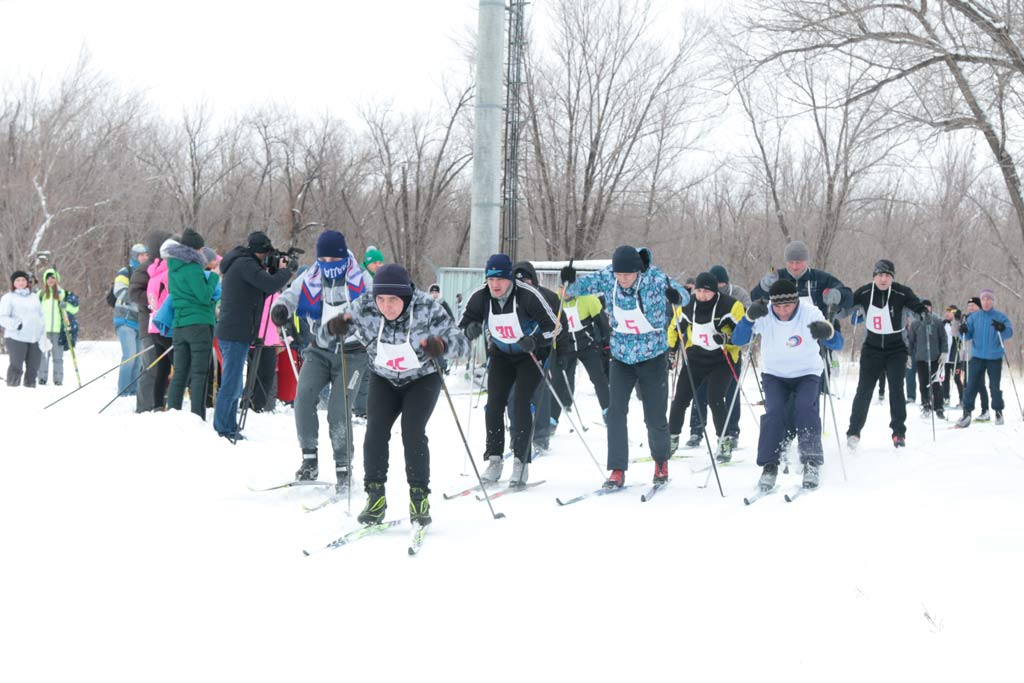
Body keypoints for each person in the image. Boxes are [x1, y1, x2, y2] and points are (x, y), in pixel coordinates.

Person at [328, 264, 469, 525]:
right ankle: (375, 498)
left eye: (393, 300)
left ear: (405, 296)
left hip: (422, 379)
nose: (386, 306)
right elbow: (336, 327)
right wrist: (335, 327)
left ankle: (419, 497)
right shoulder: (366, 306)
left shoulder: (427, 307)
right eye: (381, 299)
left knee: (412, 430)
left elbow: (462, 343)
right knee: (375, 430)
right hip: (383, 377)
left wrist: (442, 345)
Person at [563, 246, 688, 488]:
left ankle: (661, 461)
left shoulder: (655, 278)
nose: (623, 280)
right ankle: (617, 469)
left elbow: (684, 295)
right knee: (615, 413)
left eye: (627, 275)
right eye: (619, 275)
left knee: (654, 417)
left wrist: (676, 297)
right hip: (621, 358)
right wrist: (569, 281)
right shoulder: (609, 276)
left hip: (652, 356)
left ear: (638, 271)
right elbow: (577, 289)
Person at [271, 230, 367, 488]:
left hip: (353, 352)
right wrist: (279, 309)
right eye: (322, 260)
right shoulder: (311, 275)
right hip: (319, 349)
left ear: (342, 257)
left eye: (332, 260)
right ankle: (309, 459)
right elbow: (288, 296)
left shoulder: (360, 278)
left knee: (338, 410)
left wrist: (353, 322)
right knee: (302, 398)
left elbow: (375, 306)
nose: (327, 266)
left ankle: (344, 466)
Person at [458, 254, 559, 487]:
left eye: (500, 279)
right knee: (493, 404)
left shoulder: (528, 295)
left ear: (510, 279)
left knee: (521, 403)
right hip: (502, 355)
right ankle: (494, 459)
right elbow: (462, 325)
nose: (495, 284)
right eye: (491, 279)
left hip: (528, 355)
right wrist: (470, 330)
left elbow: (554, 327)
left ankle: (520, 462)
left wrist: (535, 340)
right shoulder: (480, 296)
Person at [732, 279, 844, 490]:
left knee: (804, 408)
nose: (782, 311)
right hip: (775, 374)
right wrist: (748, 319)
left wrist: (827, 333)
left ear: (796, 303)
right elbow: (738, 340)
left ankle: (811, 461)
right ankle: (769, 465)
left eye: (788, 306)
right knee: (774, 412)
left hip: (807, 373)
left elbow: (837, 343)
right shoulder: (764, 313)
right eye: (778, 306)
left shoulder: (810, 313)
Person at [213, 231, 294, 438]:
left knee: (234, 383)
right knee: (232, 383)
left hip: (238, 331)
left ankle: (229, 424)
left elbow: (263, 292)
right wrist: (285, 273)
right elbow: (269, 285)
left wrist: (277, 274)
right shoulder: (245, 264)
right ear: (259, 252)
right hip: (234, 332)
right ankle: (223, 428)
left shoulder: (243, 264)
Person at [846, 259, 928, 448]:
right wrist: (835, 305)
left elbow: (917, 306)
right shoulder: (865, 292)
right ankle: (854, 431)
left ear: (892, 277)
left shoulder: (901, 292)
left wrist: (923, 313)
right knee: (864, 390)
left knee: (896, 390)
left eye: (887, 275)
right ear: (874, 276)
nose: (883, 279)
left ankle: (899, 432)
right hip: (871, 348)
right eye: (880, 275)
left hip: (896, 349)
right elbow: (846, 307)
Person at [668, 272, 745, 461]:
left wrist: (727, 338)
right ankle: (671, 437)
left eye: (706, 292)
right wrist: (671, 350)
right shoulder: (688, 305)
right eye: (699, 291)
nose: (702, 295)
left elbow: (743, 332)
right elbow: (674, 328)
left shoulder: (730, 305)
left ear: (715, 291)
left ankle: (725, 440)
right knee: (680, 399)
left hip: (721, 359)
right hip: (695, 358)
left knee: (715, 398)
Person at [165, 229, 219, 420]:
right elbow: (204, 296)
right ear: (197, 249)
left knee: (180, 372)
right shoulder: (193, 268)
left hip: (179, 325)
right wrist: (213, 276)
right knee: (199, 373)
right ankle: (197, 417)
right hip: (198, 325)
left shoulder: (173, 267)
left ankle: (173, 413)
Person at [956, 289, 1014, 427]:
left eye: (989, 299)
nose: (986, 302)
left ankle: (998, 411)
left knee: (994, 386)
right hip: (977, 356)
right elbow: (966, 335)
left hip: (994, 357)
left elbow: (1009, 332)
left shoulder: (1000, 316)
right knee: (971, 385)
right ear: (981, 301)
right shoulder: (974, 317)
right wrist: (962, 330)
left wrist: (1002, 328)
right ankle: (967, 412)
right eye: (983, 299)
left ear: (993, 301)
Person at [130, 230, 172, 412]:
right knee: (151, 367)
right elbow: (134, 293)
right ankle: (144, 407)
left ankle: (159, 404)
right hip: (148, 324)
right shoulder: (145, 267)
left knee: (164, 368)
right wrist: (153, 299)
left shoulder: (170, 265)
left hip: (165, 326)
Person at [113, 243, 149, 396]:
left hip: (139, 321)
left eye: (146, 255)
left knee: (139, 358)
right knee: (129, 355)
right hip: (125, 318)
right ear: (135, 256)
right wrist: (138, 298)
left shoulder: (148, 272)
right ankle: (123, 391)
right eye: (141, 255)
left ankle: (133, 390)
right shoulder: (125, 272)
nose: (144, 257)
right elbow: (119, 291)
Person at [0, 271, 46, 387]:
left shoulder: (34, 297)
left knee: (33, 367)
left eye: (23, 280)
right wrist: (16, 325)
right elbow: (2, 317)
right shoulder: (8, 298)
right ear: (13, 283)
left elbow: (41, 315)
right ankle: (13, 387)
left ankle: (30, 388)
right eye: (18, 280)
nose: (21, 283)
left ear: (27, 282)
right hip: (16, 337)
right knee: (16, 366)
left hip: (35, 337)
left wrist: (42, 330)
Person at [37, 268, 79, 386]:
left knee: (58, 357)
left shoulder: (63, 294)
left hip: (59, 330)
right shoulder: (41, 294)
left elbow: (75, 309)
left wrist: (65, 305)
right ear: (45, 280)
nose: (50, 280)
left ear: (57, 279)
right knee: (43, 356)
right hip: (44, 331)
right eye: (48, 278)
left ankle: (58, 379)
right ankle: (42, 377)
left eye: (53, 278)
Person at [907, 299, 947, 419]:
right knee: (923, 383)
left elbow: (943, 338)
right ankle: (925, 405)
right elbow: (911, 341)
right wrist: (908, 354)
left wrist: (944, 352)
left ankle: (939, 407)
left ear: (931, 308)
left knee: (935, 383)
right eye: (923, 307)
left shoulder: (937, 321)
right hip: (921, 358)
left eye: (928, 307)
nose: (926, 309)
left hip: (935, 357)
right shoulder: (915, 323)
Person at [942, 306, 963, 407]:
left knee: (957, 379)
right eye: (946, 312)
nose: (947, 314)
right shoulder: (943, 324)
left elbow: (960, 336)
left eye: (949, 312)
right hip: (944, 358)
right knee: (944, 379)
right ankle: (946, 398)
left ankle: (962, 399)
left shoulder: (957, 324)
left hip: (955, 357)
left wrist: (957, 320)